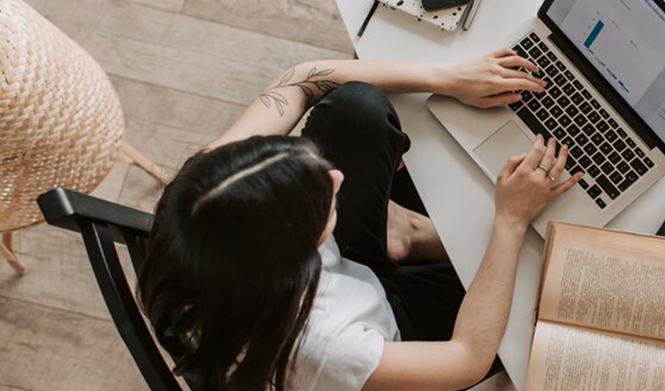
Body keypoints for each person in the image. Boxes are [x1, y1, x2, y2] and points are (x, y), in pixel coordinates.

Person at [137, 50, 584, 391]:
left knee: (354, 108)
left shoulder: (208, 186)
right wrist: (509, 221)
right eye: (324, 199)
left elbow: (297, 82)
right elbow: (466, 357)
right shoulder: (326, 346)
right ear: (297, 253)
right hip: (392, 327)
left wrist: (448, 78)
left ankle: (402, 233)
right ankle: (410, 237)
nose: (336, 177)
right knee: (538, 293)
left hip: (336, 276)